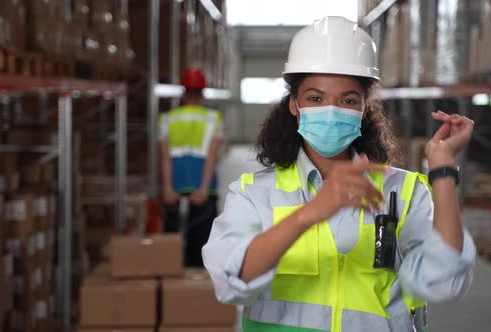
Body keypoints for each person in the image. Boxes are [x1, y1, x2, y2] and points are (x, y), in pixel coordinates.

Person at [202, 16, 475, 332]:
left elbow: (445, 281)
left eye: (347, 100)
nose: (331, 110)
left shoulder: (402, 190)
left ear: (363, 108)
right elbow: (230, 281)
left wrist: (442, 168)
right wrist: (310, 214)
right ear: (294, 104)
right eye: (315, 98)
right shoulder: (253, 193)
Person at [159, 67, 224, 267]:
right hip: (203, 191)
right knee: (201, 248)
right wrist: (204, 189)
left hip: (176, 189)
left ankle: (173, 290)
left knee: (171, 250)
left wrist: (168, 188)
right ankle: (194, 290)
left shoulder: (167, 119)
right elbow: (211, 158)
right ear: (203, 93)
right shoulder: (214, 118)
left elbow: (165, 159)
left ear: (183, 92)